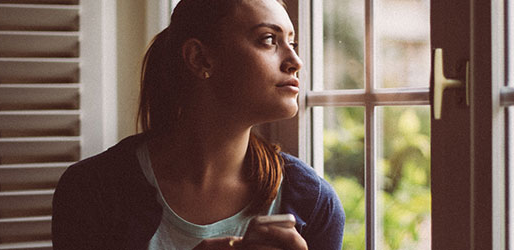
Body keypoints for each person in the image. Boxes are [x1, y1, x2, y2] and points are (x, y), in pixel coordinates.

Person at [51, 0, 345, 249]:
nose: (295, 61)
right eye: (269, 39)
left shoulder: (314, 203)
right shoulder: (92, 191)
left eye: (291, 42)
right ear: (200, 58)